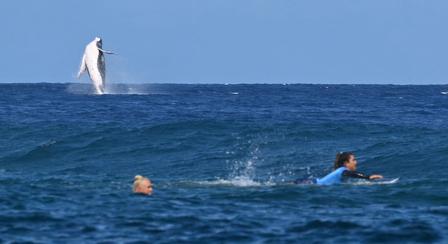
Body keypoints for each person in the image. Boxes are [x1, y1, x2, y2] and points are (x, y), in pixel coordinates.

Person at [295, 152, 383, 185]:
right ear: (346, 163)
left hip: (311, 182)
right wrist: (367, 177)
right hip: (309, 183)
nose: (356, 162)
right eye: (353, 160)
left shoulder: (341, 171)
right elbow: (352, 174)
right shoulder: (343, 171)